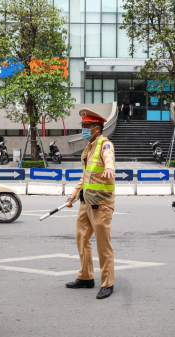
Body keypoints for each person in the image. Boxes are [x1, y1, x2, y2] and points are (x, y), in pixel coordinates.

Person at [65, 108, 116, 300]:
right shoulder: (90, 147)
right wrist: (73, 194)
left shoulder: (105, 145)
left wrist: (110, 167)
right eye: (83, 127)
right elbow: (86, 175)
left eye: (86, 127)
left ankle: (107, 283)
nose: (83, 130)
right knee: (81, 238)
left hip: (101, 203)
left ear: (96, 128)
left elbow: (109, 158)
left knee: (103, 245)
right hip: (86, 201)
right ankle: (86, 277)